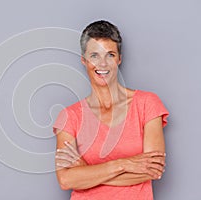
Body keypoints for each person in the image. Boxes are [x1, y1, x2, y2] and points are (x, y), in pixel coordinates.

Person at [53, 20, 169, 200]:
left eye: (110, 55)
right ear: (84, 60)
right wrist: (125, 164)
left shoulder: (147, 104)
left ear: (119, 59)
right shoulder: (69, 117)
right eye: (94, 55)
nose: (103, 64)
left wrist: (87, 172)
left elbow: (153, 170)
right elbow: (66, 180)